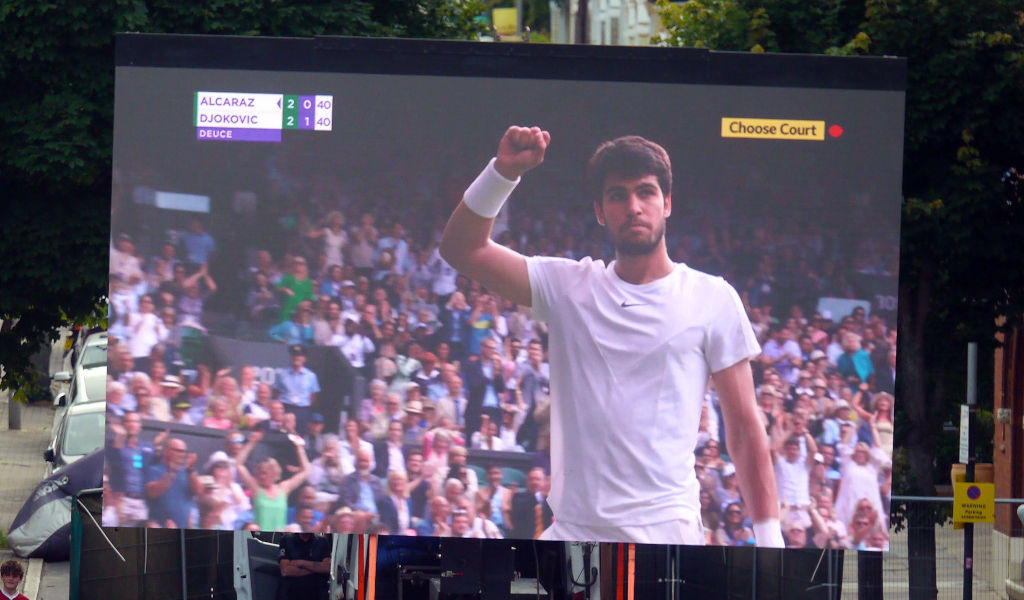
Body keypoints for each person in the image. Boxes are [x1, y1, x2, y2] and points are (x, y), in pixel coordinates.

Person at [438, 127, 782, 545]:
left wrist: (770, 543)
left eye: (646, 193)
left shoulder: (713, 297)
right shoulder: (566, 286)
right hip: (572, 537)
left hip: (668, 538)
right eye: (618, 195)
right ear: (600, 211)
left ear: (667, 203)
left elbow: (745, 428)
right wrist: (503, 174)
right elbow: (461, 249)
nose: (634, 207)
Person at [235, 431, 311, 532]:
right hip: (261, 536)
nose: (261, 476)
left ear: (274, 473)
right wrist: (251, 443)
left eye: (265, 473)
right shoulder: (256, 489)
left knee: (294, 529)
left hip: (280, 537)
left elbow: (306, 471)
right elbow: (239, 464)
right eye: (259, 473)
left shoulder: (283, 488)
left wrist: (299, 447)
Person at [145, 437, 204, 528]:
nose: (182, 454)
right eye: (178, 451)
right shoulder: (154, 469)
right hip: (159, 526)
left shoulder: (188, 472)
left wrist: (190, 470)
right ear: (167, 451)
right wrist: (171, 472)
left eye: (184, 451)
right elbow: (153, 492)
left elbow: (199, 492)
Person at [278, 532, 332, 600]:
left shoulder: (322, 541)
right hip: (290, 594)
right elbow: (285, 571)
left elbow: (327, 567)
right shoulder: (287, 540)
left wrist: (301, 563)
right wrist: (316, 569)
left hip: (316, 595)